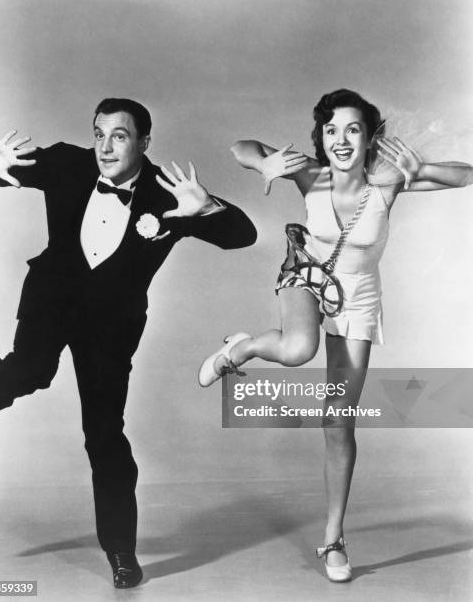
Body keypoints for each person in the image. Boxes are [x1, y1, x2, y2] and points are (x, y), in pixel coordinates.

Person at [0, 98, 257, 589]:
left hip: (110, 327)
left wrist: (205, 208)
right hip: (52, 300)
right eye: (99, 133)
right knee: (31, 368)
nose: (104, 146)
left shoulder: (168, 194)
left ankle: (121, 549)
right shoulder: (66, 162)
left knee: (104, 436)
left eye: (119, 136)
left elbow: (241, 236)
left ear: (144, 142)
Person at [199, 89, 472, 582]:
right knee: (299, 348)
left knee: (338, 421)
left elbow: (466, 175)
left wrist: (418, 166)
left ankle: (332, 539)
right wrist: (264, 164)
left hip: (359, 300)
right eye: (331, 130)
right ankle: (243, 347)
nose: (340, 139)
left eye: (352, 129)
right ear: (320, 139)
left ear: (370, 138)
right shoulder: (309, 173)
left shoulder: (388, 182)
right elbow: (242, 147)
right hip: (307, 275)